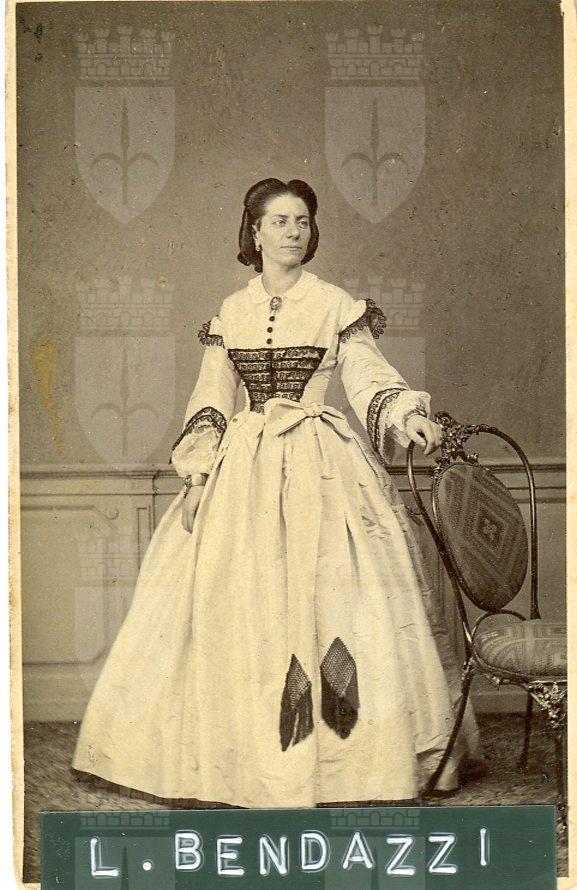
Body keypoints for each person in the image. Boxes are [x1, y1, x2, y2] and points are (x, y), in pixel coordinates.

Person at [72, 177, 482, 807]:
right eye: (281, 221)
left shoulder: (334, 303)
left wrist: (406, 415)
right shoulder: (230, 312)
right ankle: (242, 762)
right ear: (256, 232)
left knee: (339, 600)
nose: (294, 232)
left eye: (303, 222)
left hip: (323, 466)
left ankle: (348, 762)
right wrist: (198, 477)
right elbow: (212, 397)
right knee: (237, 604)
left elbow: (367, 377)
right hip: (245, 470)